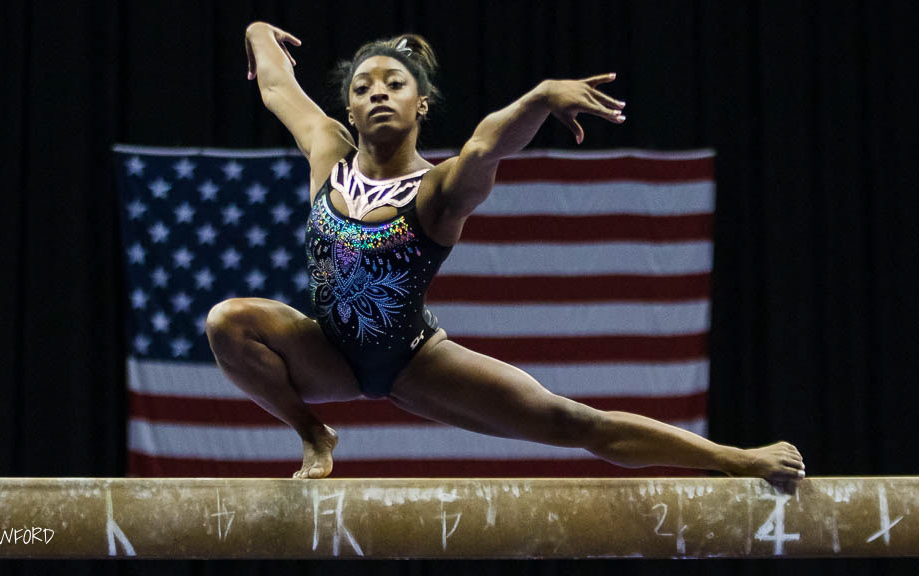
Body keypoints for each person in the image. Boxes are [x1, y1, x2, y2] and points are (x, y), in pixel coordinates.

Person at [206, 21, 806, 488]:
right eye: (363, 88)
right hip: (325, 353)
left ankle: (734, 459)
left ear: (421, 107)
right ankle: (315, 434)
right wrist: (258, 30)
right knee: (228, 322)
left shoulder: (438, 191)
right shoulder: (326, 152)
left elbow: (488, 145)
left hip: (415, 361)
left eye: (395, 84)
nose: (378, 93)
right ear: (350, 109)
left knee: (573, 422)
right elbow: (280, 87)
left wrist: (541, 97)